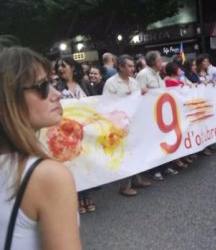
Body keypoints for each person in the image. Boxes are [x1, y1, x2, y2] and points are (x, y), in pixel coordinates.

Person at [0, 45, 81, 249]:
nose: (57, 94)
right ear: (10, 99)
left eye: (53, 83)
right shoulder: (48, 177)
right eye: (42, 86)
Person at [103, 54, 152, 196]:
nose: (132, 68)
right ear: (121, 67)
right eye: (129, 66)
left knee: (134, 151)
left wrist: (142, 93)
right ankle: (124, 186)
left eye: (132, 66)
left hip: (133, 122)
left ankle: (136, 180)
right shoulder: (111, 83)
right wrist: (125, 97)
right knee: (124, 154)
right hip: (119, 124)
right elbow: (107, 104)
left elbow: (139, 101)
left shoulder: (133, 82)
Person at [54, 57, 97, 213]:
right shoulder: (57, 87)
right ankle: (77, 197)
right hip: (67, 134)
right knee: (73, 166)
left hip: (86, 133)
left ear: (72, 67)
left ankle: (88, 196)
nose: (60, 69)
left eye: (63, 65)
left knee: (85, 164)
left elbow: (96, 102)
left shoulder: (84, 84)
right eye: (58, 66)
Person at [136, 51, 178, 181]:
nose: (162, 62)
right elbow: (138, 95)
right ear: (154, 62)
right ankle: (155, 170)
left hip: (162, 115)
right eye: (160, 60)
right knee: (153, 143)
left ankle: (166, 166)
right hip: (149, 116)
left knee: (164, 140)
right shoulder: (143, 75)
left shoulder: (159, 75)